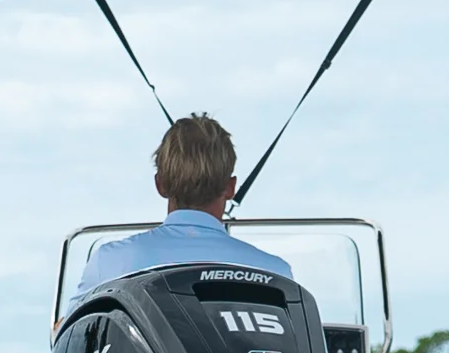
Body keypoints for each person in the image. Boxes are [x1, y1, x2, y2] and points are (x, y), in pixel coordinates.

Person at [72, 113, 294, 298]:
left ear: (160, 185)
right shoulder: (275, 275)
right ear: (230, 188)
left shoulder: (109, 262)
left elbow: (74, 338)